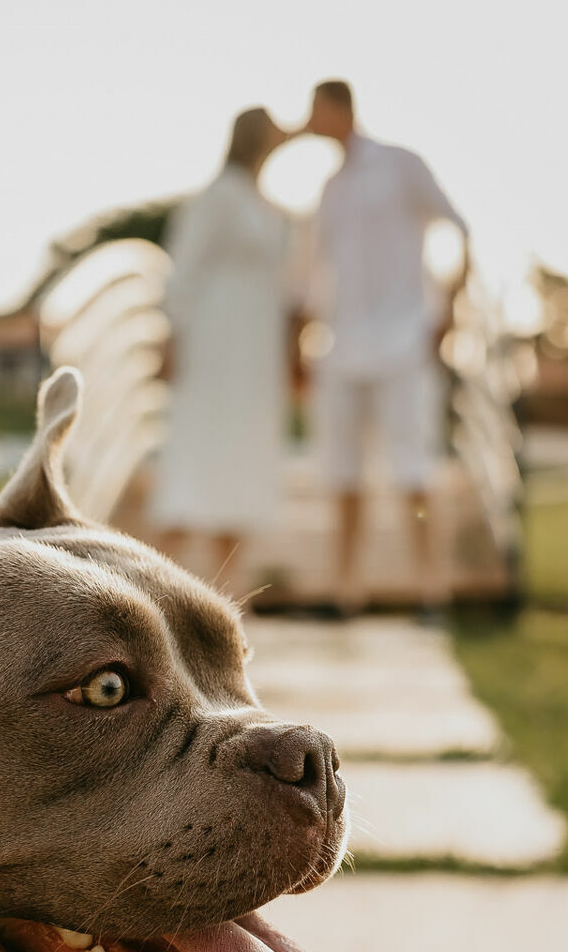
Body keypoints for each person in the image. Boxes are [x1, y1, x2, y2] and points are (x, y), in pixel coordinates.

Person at [299, 79, 469, 613]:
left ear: (338, 109)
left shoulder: (401, 165)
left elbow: (459, 229)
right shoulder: (329, 188)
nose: (310, 121)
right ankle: (346, 591)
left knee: (412, 470)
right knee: (343, 474)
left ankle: (430, 588)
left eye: (315, 111)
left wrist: (447, 316)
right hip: (342, 349)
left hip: (403, 345)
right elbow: (309, 274)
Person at [150, 107, 294, 589]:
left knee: (241, 465)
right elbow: (183, 273)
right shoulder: (213, 201)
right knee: (197, 465)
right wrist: (172, 336)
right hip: (212, 350)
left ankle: (228, 600)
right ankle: (149, 589)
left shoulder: (266, 204)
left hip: (253, 354)